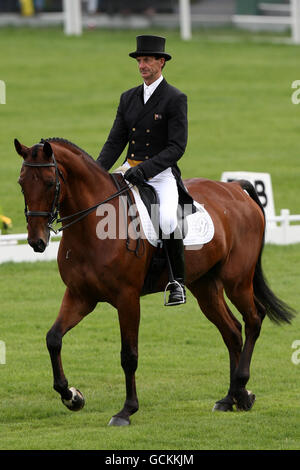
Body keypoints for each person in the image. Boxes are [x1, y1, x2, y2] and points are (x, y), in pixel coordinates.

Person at [97, 35, 188, 306]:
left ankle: (176, 282)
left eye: (147, 60)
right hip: (128, 169)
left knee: (169, 221)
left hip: (160, 175)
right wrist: (97, 172)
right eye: (139, 60)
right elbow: (115, 141)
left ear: (161, 62)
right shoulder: (128, 98)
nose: (142, 65)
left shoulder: (175, 98)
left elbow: (176, 147)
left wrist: (146, 170)